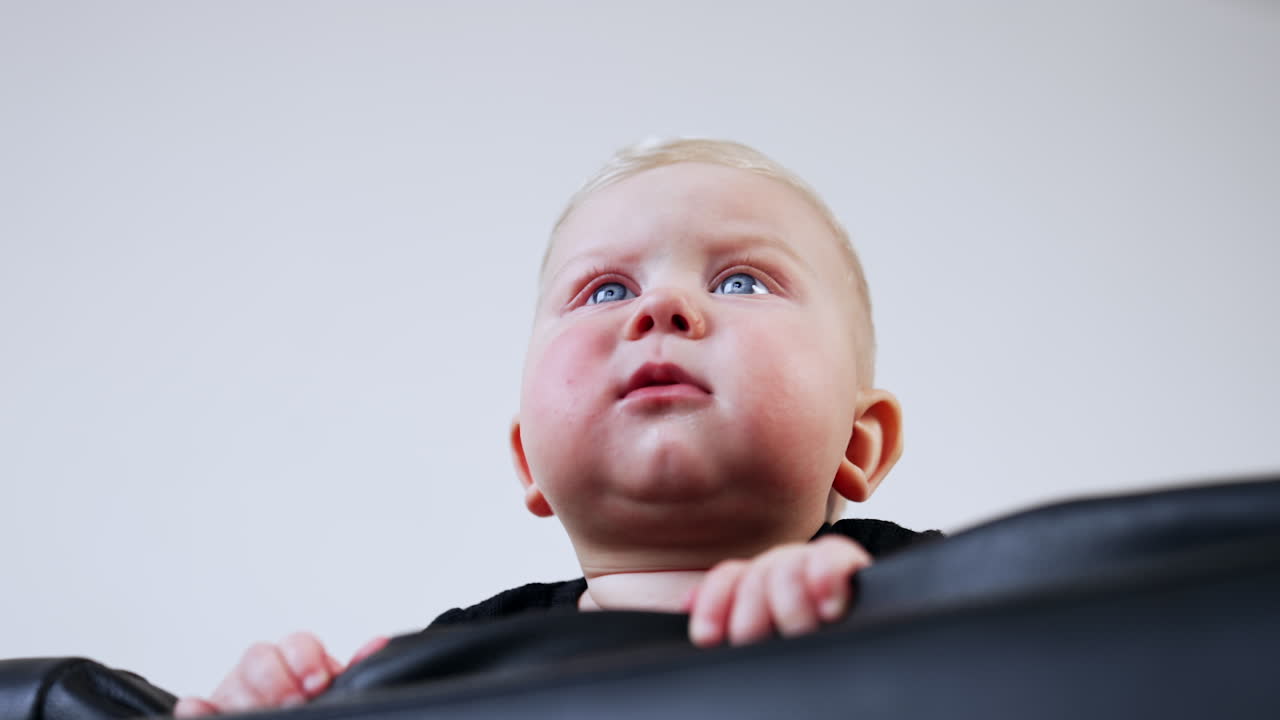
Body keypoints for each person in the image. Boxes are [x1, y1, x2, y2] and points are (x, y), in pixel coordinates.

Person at [174, 138, 941, 716]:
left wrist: (874, 622)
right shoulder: (455, 664)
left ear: (858, 441)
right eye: (606, 289)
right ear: (528, 461)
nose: (662, 310)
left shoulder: (945, 591)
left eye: (740, 280)